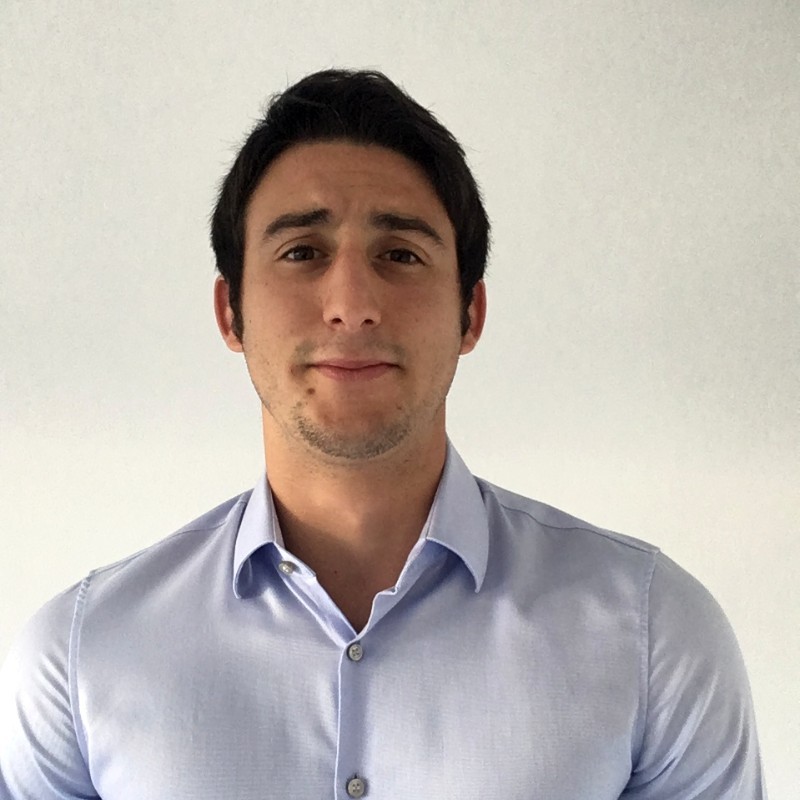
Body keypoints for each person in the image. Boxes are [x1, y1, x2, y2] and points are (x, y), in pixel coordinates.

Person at [0, 69, 766, 799]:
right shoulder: (80, 657)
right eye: (302, 253)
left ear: (470, 314)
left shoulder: (651, 634)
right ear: (230, 312)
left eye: (400, 255)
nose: (352, 303)